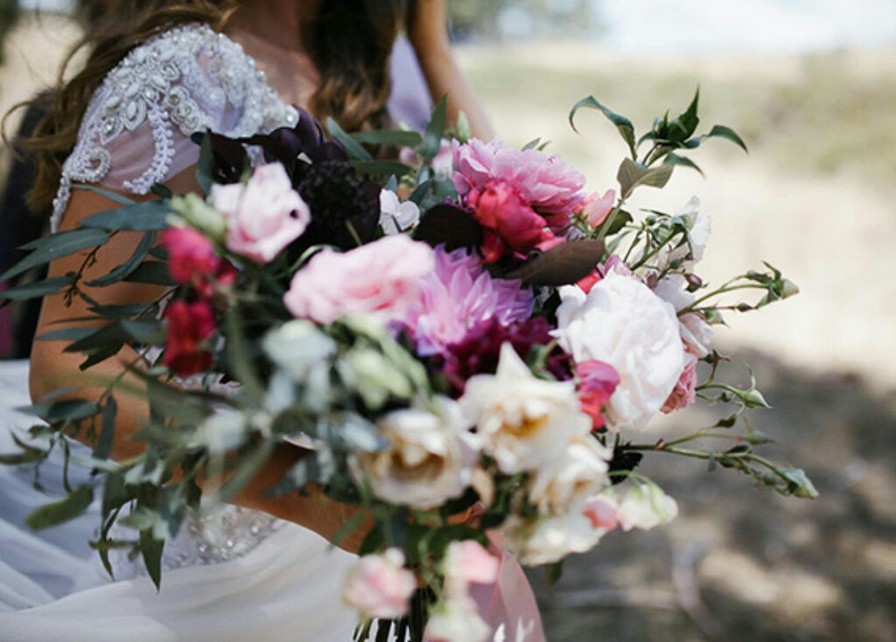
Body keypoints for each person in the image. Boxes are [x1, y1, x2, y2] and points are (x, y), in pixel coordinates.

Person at [0, 1, 541, 640]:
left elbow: (509, 228)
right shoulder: (179, 76)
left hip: (369, 543)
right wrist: (313, 495)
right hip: (228, 578)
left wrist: (431, 42)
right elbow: (71, 373)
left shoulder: (354, 67)